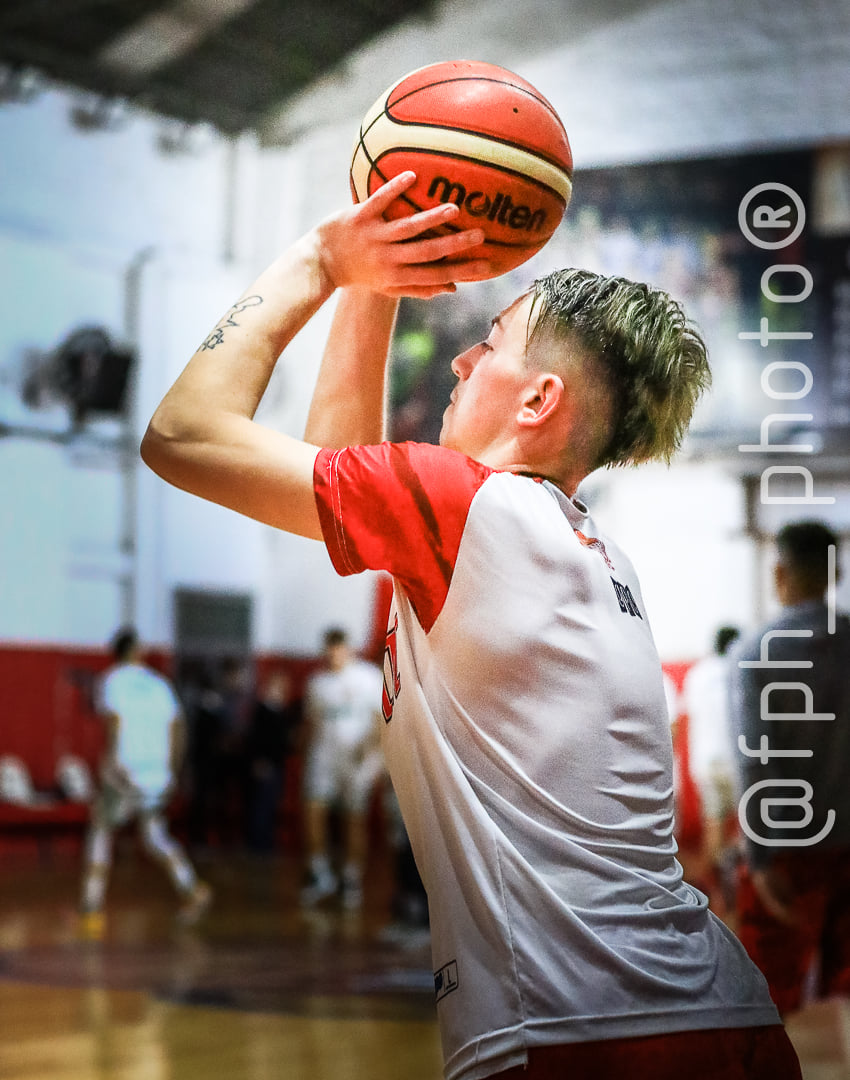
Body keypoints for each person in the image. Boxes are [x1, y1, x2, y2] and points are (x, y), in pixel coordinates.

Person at [141, 172, 800, 1078]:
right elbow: (341, 470)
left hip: (583, 1034)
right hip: (721, 1012)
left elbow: (181, 434)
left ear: (537, 401)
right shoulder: (578, 542)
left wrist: (324, 258)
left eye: (487, 346)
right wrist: (374, 286)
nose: (458, 363)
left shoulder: (470, 507)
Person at [729, 521, 850, 1017]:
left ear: (779, 573)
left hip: (789, 847)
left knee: (770, 995)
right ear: (836, 573)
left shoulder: (755, 652)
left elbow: (754, 761)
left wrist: (759, 859)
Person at [79, 627, 212, 935]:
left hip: (126, 772)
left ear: (115, 653)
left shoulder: (111, 680)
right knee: (154, 835)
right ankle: (191, 888)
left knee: (101, 829)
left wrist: (112, 764)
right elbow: (178, 728)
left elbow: (114, 722)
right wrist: (173, 772)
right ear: (137, 651)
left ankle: (91, 905)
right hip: (157, 775)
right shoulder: (160, 684)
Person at [300, 628, 384, 908]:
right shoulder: (317, 683)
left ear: (349, 649)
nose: (333, 654)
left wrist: (370, 750)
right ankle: (319, 872)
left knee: (354, 818)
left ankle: (351, 877)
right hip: (324, 756)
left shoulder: (368, 677)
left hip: (356, 758)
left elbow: (379, 719)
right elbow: (312, 723)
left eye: (338, 648)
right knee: (314, 809)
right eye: (329, 649)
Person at [680, 625, 741, 913]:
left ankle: (715, 896)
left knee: (714, 827)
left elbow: (690, 716)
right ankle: (735, 895)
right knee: (743, 830)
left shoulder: (698, 674)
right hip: (736, 760)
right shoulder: (741, 668)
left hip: (705, 761)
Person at [245, 667, 301, 853]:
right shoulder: (262, 710)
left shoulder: (281, 710)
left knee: (270, 804)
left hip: (277, 764)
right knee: (261, 805)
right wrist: (258, 761)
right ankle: (258, 845)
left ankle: (266, 842)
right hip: (265, 765)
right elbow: (256, 739)